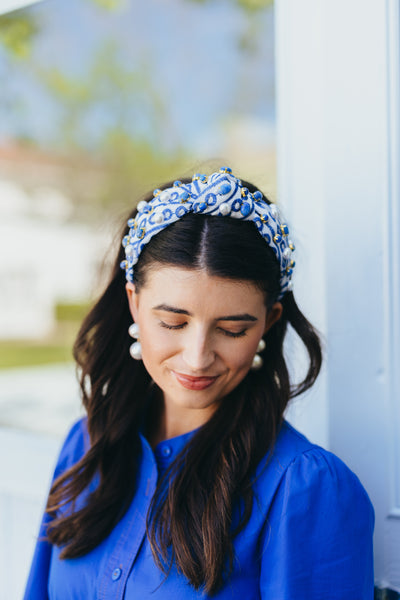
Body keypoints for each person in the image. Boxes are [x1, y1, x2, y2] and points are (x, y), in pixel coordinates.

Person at [24, 168, 374, 599]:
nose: (197, 357)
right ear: (134, 303)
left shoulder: (304, 489)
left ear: (269, 322)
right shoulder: (87, 446)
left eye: (232, 330)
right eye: (173, 322)